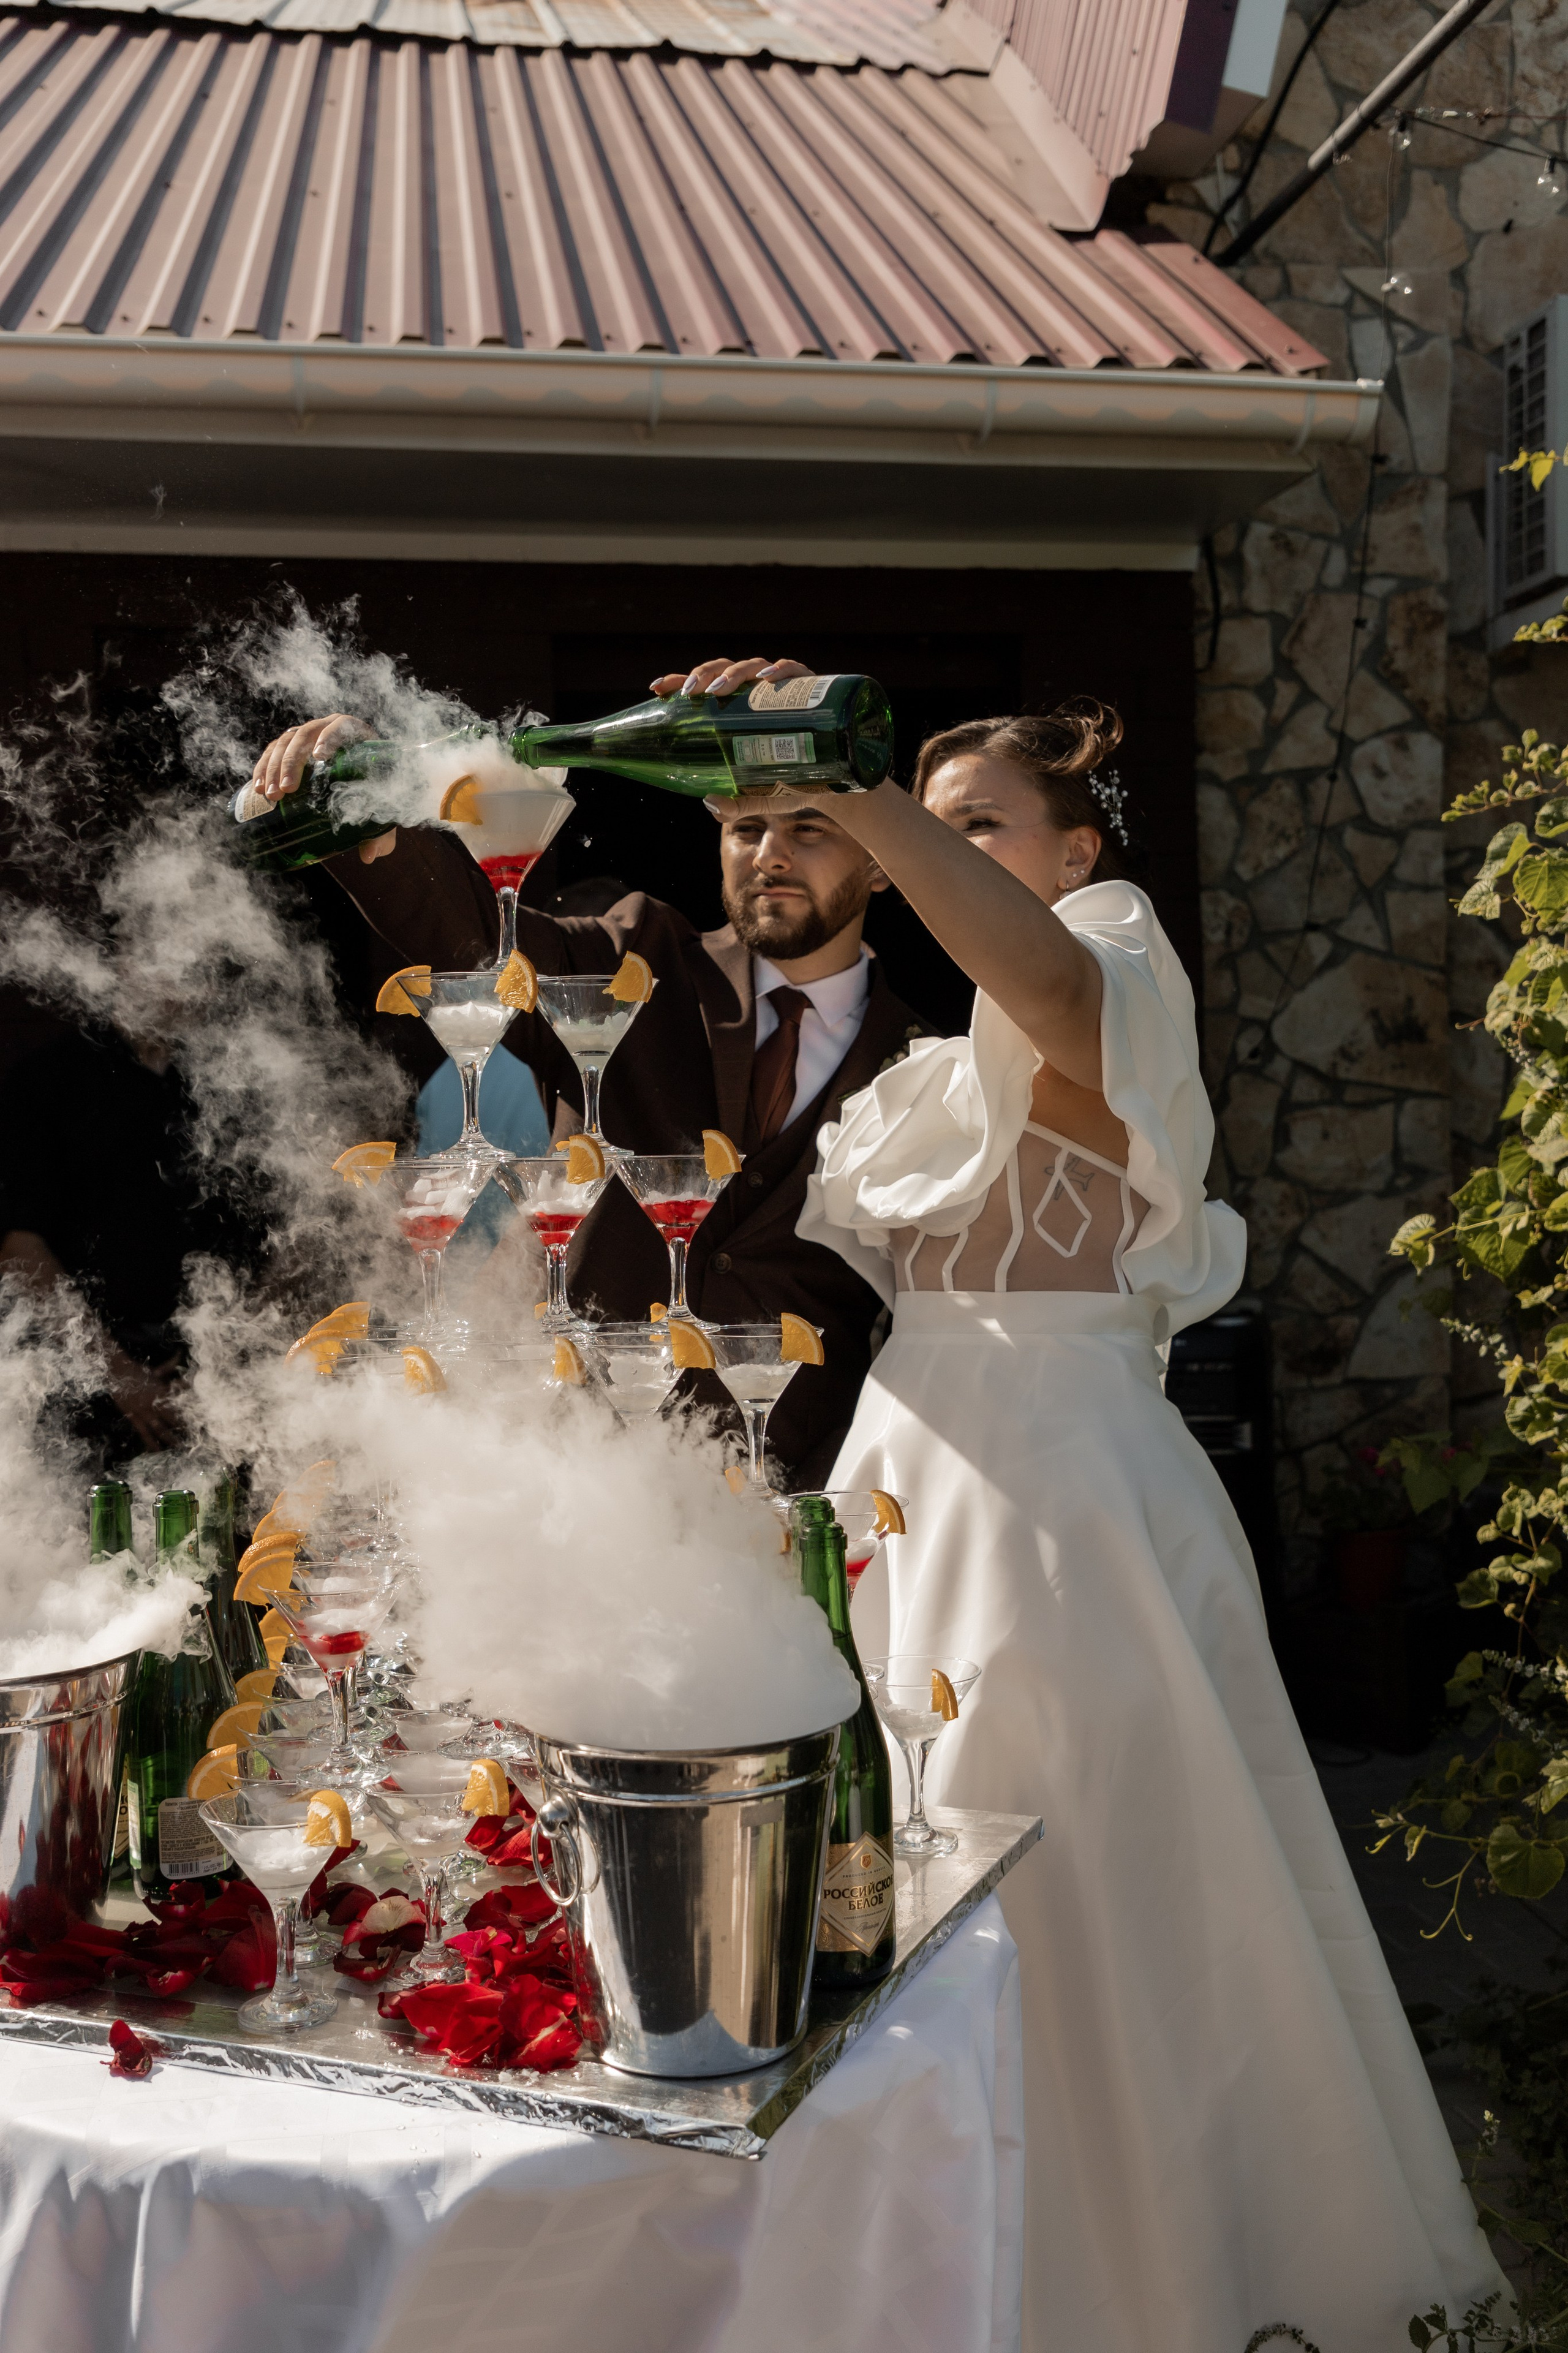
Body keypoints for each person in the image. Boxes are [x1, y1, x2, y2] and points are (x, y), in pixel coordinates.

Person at [647, 658, 1504, 2349]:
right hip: (903, 1474)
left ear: (1074, 844)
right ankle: (910, 2274)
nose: (939, 845)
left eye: (980, 822)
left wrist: (858, 781)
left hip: (1058, 1498)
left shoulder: (1110, 953)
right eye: (928, 821)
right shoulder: (924, 1052)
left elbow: (1038, 983)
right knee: (887, 1874)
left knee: (1068, 1880)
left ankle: (1125, 2287)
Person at [241, 711, 928, 1484]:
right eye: (746, 829)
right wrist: (369, 803)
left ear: (880, 861)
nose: (769, 854)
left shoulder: (927, 1062)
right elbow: (477, 938)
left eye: (809, 828)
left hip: (783, 1480)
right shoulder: (637, 959)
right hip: (573, 1462)